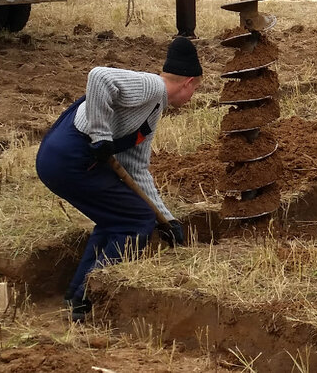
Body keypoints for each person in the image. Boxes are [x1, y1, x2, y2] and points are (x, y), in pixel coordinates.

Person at [35, 37, 201, 322]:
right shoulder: (152, 87)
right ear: (187, 83)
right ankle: (92, 298)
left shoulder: (151, 113)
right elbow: (99, 77)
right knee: (135, 222)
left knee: (117, 220)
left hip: (65, 159)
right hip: (70, 155)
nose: (192, 98)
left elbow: (136, 169)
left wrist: (166, 219)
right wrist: (100, 135)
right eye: (195, 90)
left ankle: (77, 296)